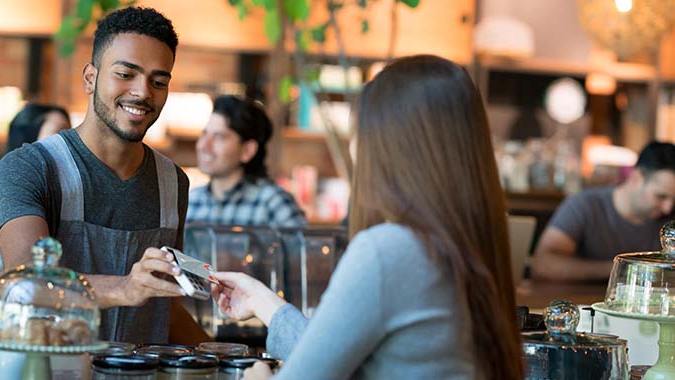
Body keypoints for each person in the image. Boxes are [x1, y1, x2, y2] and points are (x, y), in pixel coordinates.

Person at [210, 55, 524, 380]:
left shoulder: (389, 249)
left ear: (383, 144)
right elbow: (329, 355)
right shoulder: (473, 239)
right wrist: (262, 300)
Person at [0, 7, 190, 344]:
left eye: (158, 82)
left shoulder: (173, 182)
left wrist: (232, 358)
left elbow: (163, 306)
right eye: (126, 74)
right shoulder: (29, 167)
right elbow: (24, 283)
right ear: (90, 78)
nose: (143, 92)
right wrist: (126, 287)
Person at [532, 141, 675, 282]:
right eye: (661, 196)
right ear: (636, 178)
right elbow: (543, 265)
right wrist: (623, 268)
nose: (668, 207)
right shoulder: (584, 205)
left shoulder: (671, 218)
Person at [0, 103, 71, 285]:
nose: (66, 140)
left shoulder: (67, 193)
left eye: (69, 131)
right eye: (59, 131)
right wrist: (15, 258)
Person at [186, 95, 306, 227]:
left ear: (247, 150)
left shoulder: (274, 204)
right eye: (205, 134)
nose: (204, 145)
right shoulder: (191, 201)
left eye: (219, 137)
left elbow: (304, 247)